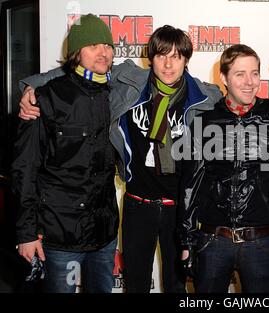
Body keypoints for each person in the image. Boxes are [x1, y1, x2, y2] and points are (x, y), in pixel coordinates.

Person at [17, 25, 222, 293]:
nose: (168, 64)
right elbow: (71, 73)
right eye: (161, 55)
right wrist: (32, 87)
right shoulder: (130, 79)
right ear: (150, 58)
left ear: (186, 59)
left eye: (176, 56)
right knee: (135, 284)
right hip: (137, 205)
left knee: (176, 285)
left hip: (179, 210)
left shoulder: (206, 97)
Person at [179, 44, 269, 293]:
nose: (249, 82)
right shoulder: (205, 122)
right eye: (240, 74)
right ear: (224, 77)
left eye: (255, 73)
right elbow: (191, 186)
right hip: (213, 242)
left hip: (261, 243)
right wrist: (187, 241)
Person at [11, 14, 119, 293]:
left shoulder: (117, 93)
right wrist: (25, 233)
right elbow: (25, 168)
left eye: (107, 45)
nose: (103, 52)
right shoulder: (45, 98)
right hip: (60, 238)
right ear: (76, 52)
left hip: (104, 238)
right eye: (93, 45)